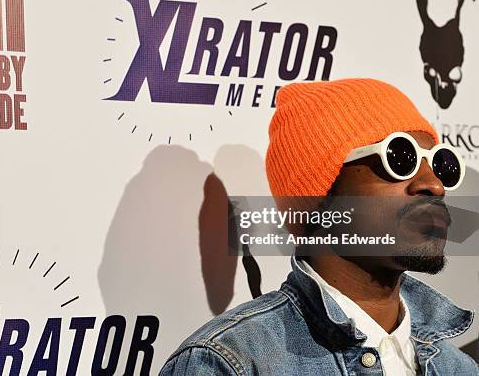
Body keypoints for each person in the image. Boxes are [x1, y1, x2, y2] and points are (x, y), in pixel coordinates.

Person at [160, 78, 478, 375]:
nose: (434, 185)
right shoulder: (231, 362)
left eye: (440, 164)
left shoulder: (459, 367)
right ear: (319, 196)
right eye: (400, 157)